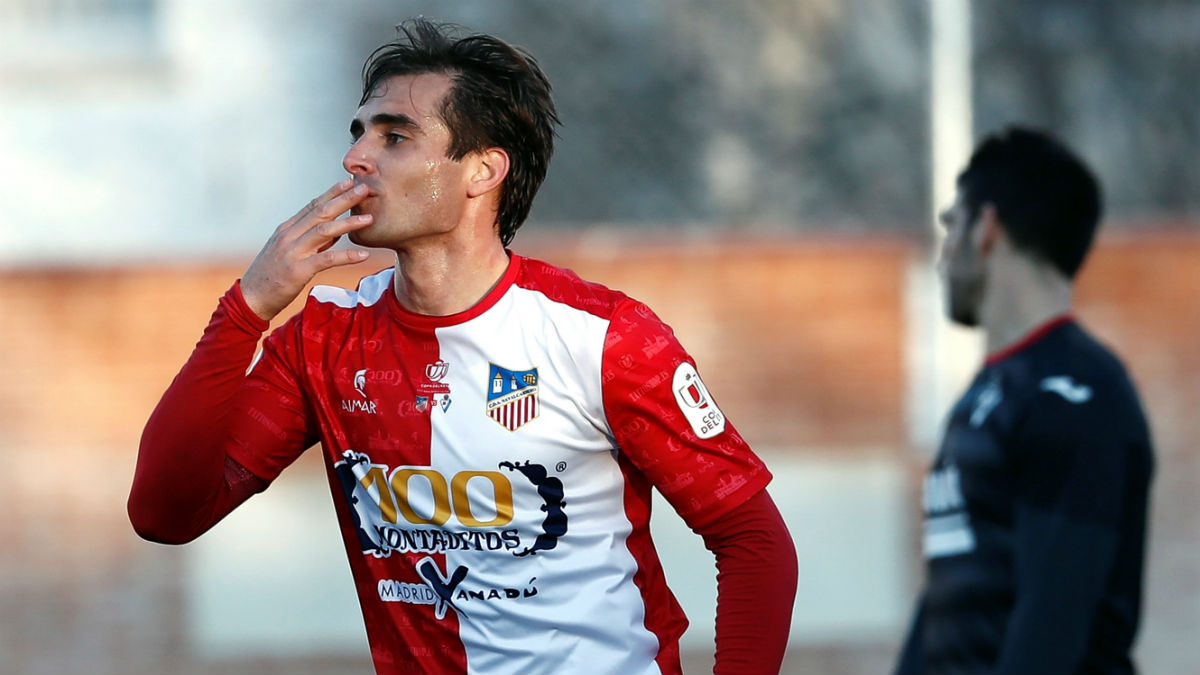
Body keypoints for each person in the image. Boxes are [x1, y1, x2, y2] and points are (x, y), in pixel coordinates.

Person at [128, 17, 797, 675]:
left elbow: (753, 540)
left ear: (482, 170)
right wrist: (247, 309)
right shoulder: (324, 340)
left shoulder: (601, 336)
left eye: (395, 136)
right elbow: (164, 513)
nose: (356, 157)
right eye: (358, 132)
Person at [895, 127, 1154, 674]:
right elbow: (949, 599)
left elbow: (1054, 619)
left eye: (950, 225)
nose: (942, 255)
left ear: (986, 228)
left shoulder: (1076, 394)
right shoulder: (987, 394)